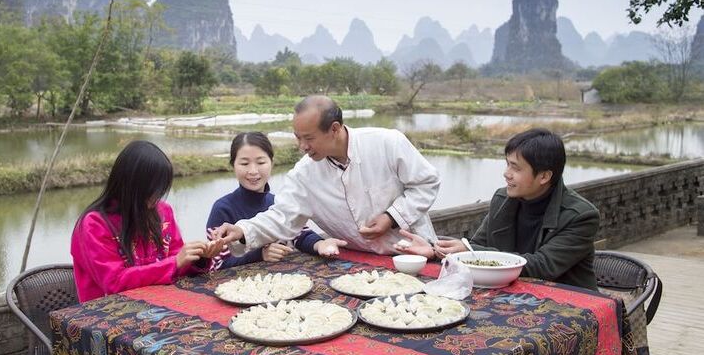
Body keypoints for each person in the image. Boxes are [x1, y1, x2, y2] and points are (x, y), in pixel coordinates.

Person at [212, 95, 441, 255]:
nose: (302, 146)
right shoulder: (305, 173)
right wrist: (242, 230)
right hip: (359, 261)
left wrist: (391, 217)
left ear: (334, 129)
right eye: (297, 137)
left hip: (414, 253)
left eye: (309, 138)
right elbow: (283, 216)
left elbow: (427, 183)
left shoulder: (386, 143)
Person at [396, 128, 600, 290]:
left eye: (516, 168)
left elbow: (542, 266)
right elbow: (476, 246)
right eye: (507, 165)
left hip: (567, 302)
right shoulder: (503, 199)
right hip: (511, 295)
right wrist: (434, 251)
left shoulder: (581, 216)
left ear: (544, 176)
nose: (506, 174)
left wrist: (470, 250)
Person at [71, 140, 223, 302]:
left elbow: (176, 261)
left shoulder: (163, 212)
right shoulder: (94, 224)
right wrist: (175, 262)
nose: (157, 197)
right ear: (129, 185)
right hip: (107, 313)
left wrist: (199, 258)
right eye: (152, 190)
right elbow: (114, 282)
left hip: (160, 304)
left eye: (160, 190)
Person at [206, 131, 347, 269]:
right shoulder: (222, 209)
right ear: (233, 166)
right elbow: (216, 264)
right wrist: (260, 255)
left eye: (261, 162)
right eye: (244, 164)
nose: (253, 171)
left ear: (272, 163)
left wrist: (320, 244)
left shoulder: (278, 202)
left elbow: (299, 234)